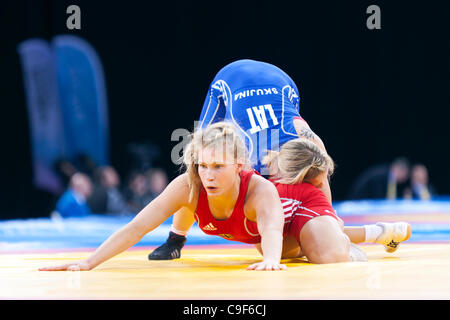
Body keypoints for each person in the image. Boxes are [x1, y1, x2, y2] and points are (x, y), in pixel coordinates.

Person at [39, 123, 410, 272]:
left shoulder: (260, 190)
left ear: (238, 165)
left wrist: (268, 261)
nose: (209, 174)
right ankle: (380, 231)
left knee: (320, 252)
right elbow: (138, 225)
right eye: (203, 165)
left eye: (218, 166)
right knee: (288, 249)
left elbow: (272, 232)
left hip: (301, 206)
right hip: (279, 229)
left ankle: (350, 240)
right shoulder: (189, 186)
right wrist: (89, 262)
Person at [149, 59, 333, 260]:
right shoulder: (249, 158)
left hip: (283, 83)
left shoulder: (312, 146)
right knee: (199, 161)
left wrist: (328, 220)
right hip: (229, 81)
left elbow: (322, 189)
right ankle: (175, 239)